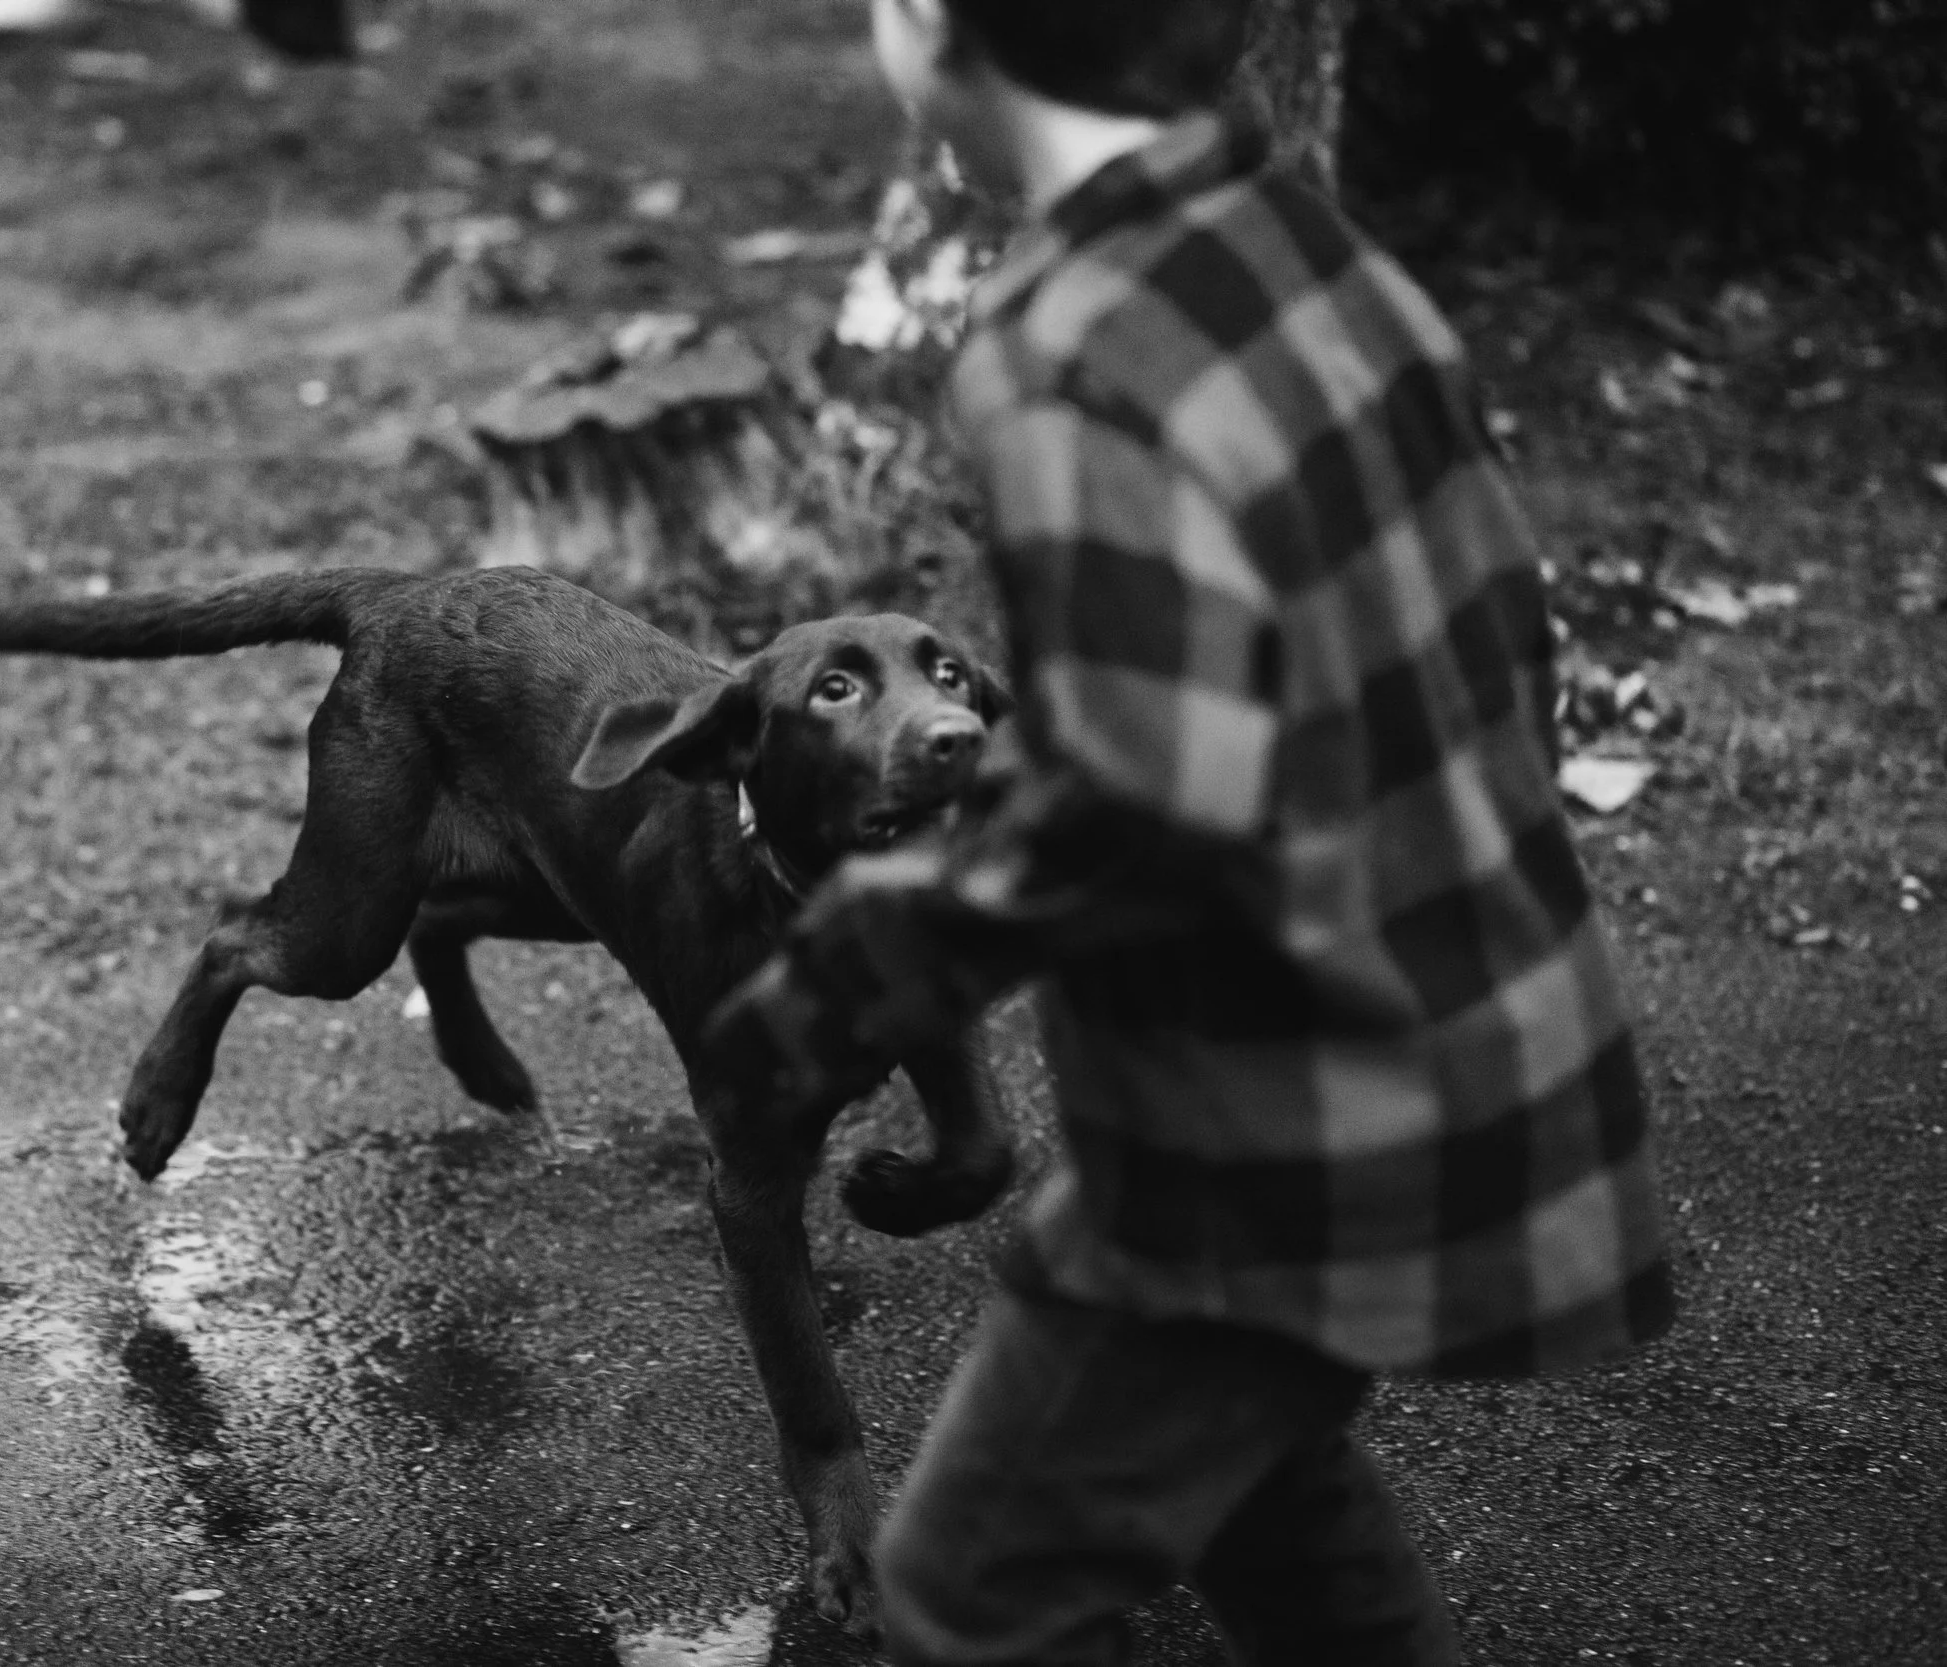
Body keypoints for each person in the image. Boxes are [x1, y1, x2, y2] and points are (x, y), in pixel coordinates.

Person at [698, 1, 1676, 1661]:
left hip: (1267, 1123)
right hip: (1479, 1034)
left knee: (971, 1594)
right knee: (1264, 1494)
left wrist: (840, 983)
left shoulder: (1074, 342)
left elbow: (1141, 792)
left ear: (936, 28)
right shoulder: (1311, 253)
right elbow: (1502, 637)